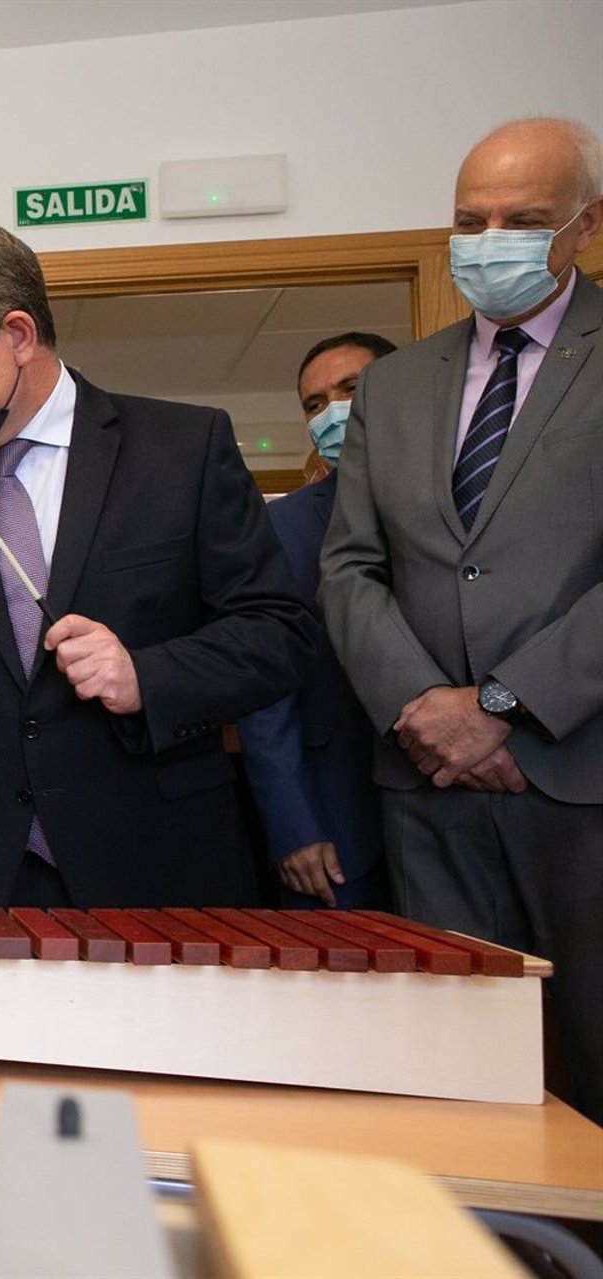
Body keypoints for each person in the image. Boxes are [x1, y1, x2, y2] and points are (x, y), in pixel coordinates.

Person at [0, 215, 316, 910]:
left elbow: (277, 634)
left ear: (18, 335)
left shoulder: (182, 450)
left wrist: (147, 675)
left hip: (156, 864)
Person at [321, 117, 603, 1121]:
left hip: (577, 779)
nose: (491, 241)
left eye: (522, 220)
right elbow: (350, 566)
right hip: (428, 783)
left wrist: (505, 706)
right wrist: (423, 707)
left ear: (585, 225)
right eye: (468, 219)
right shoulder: (397, 384)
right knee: (459, 1080)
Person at [237, 332, 398, 908]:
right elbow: (266, 686)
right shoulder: (283, 529)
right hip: (336, 819)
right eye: (313, 404)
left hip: (467, 806)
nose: (332, 412)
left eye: (351, 390)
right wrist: (293, 823)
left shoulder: (465, 498)